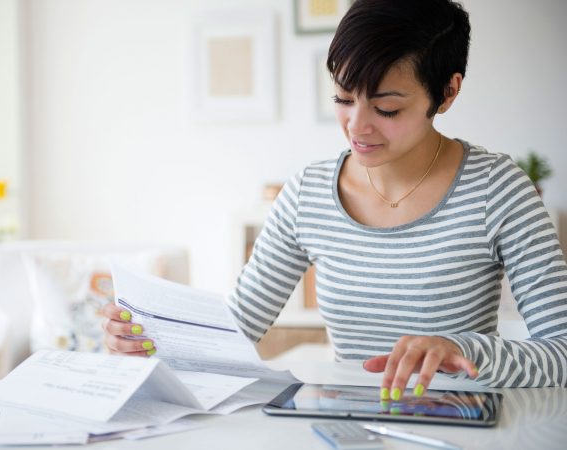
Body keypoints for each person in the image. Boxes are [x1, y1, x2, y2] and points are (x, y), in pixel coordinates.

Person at [102, 0, 567, 402]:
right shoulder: (308, 193)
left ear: (447, 91)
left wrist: (461, 349)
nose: (357, 127)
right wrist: (149, 340)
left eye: (387, 108)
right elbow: (235, 330)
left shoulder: (497, 189)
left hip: (458, 427)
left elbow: (561, 351)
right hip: (345, 427)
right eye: (343, 98)